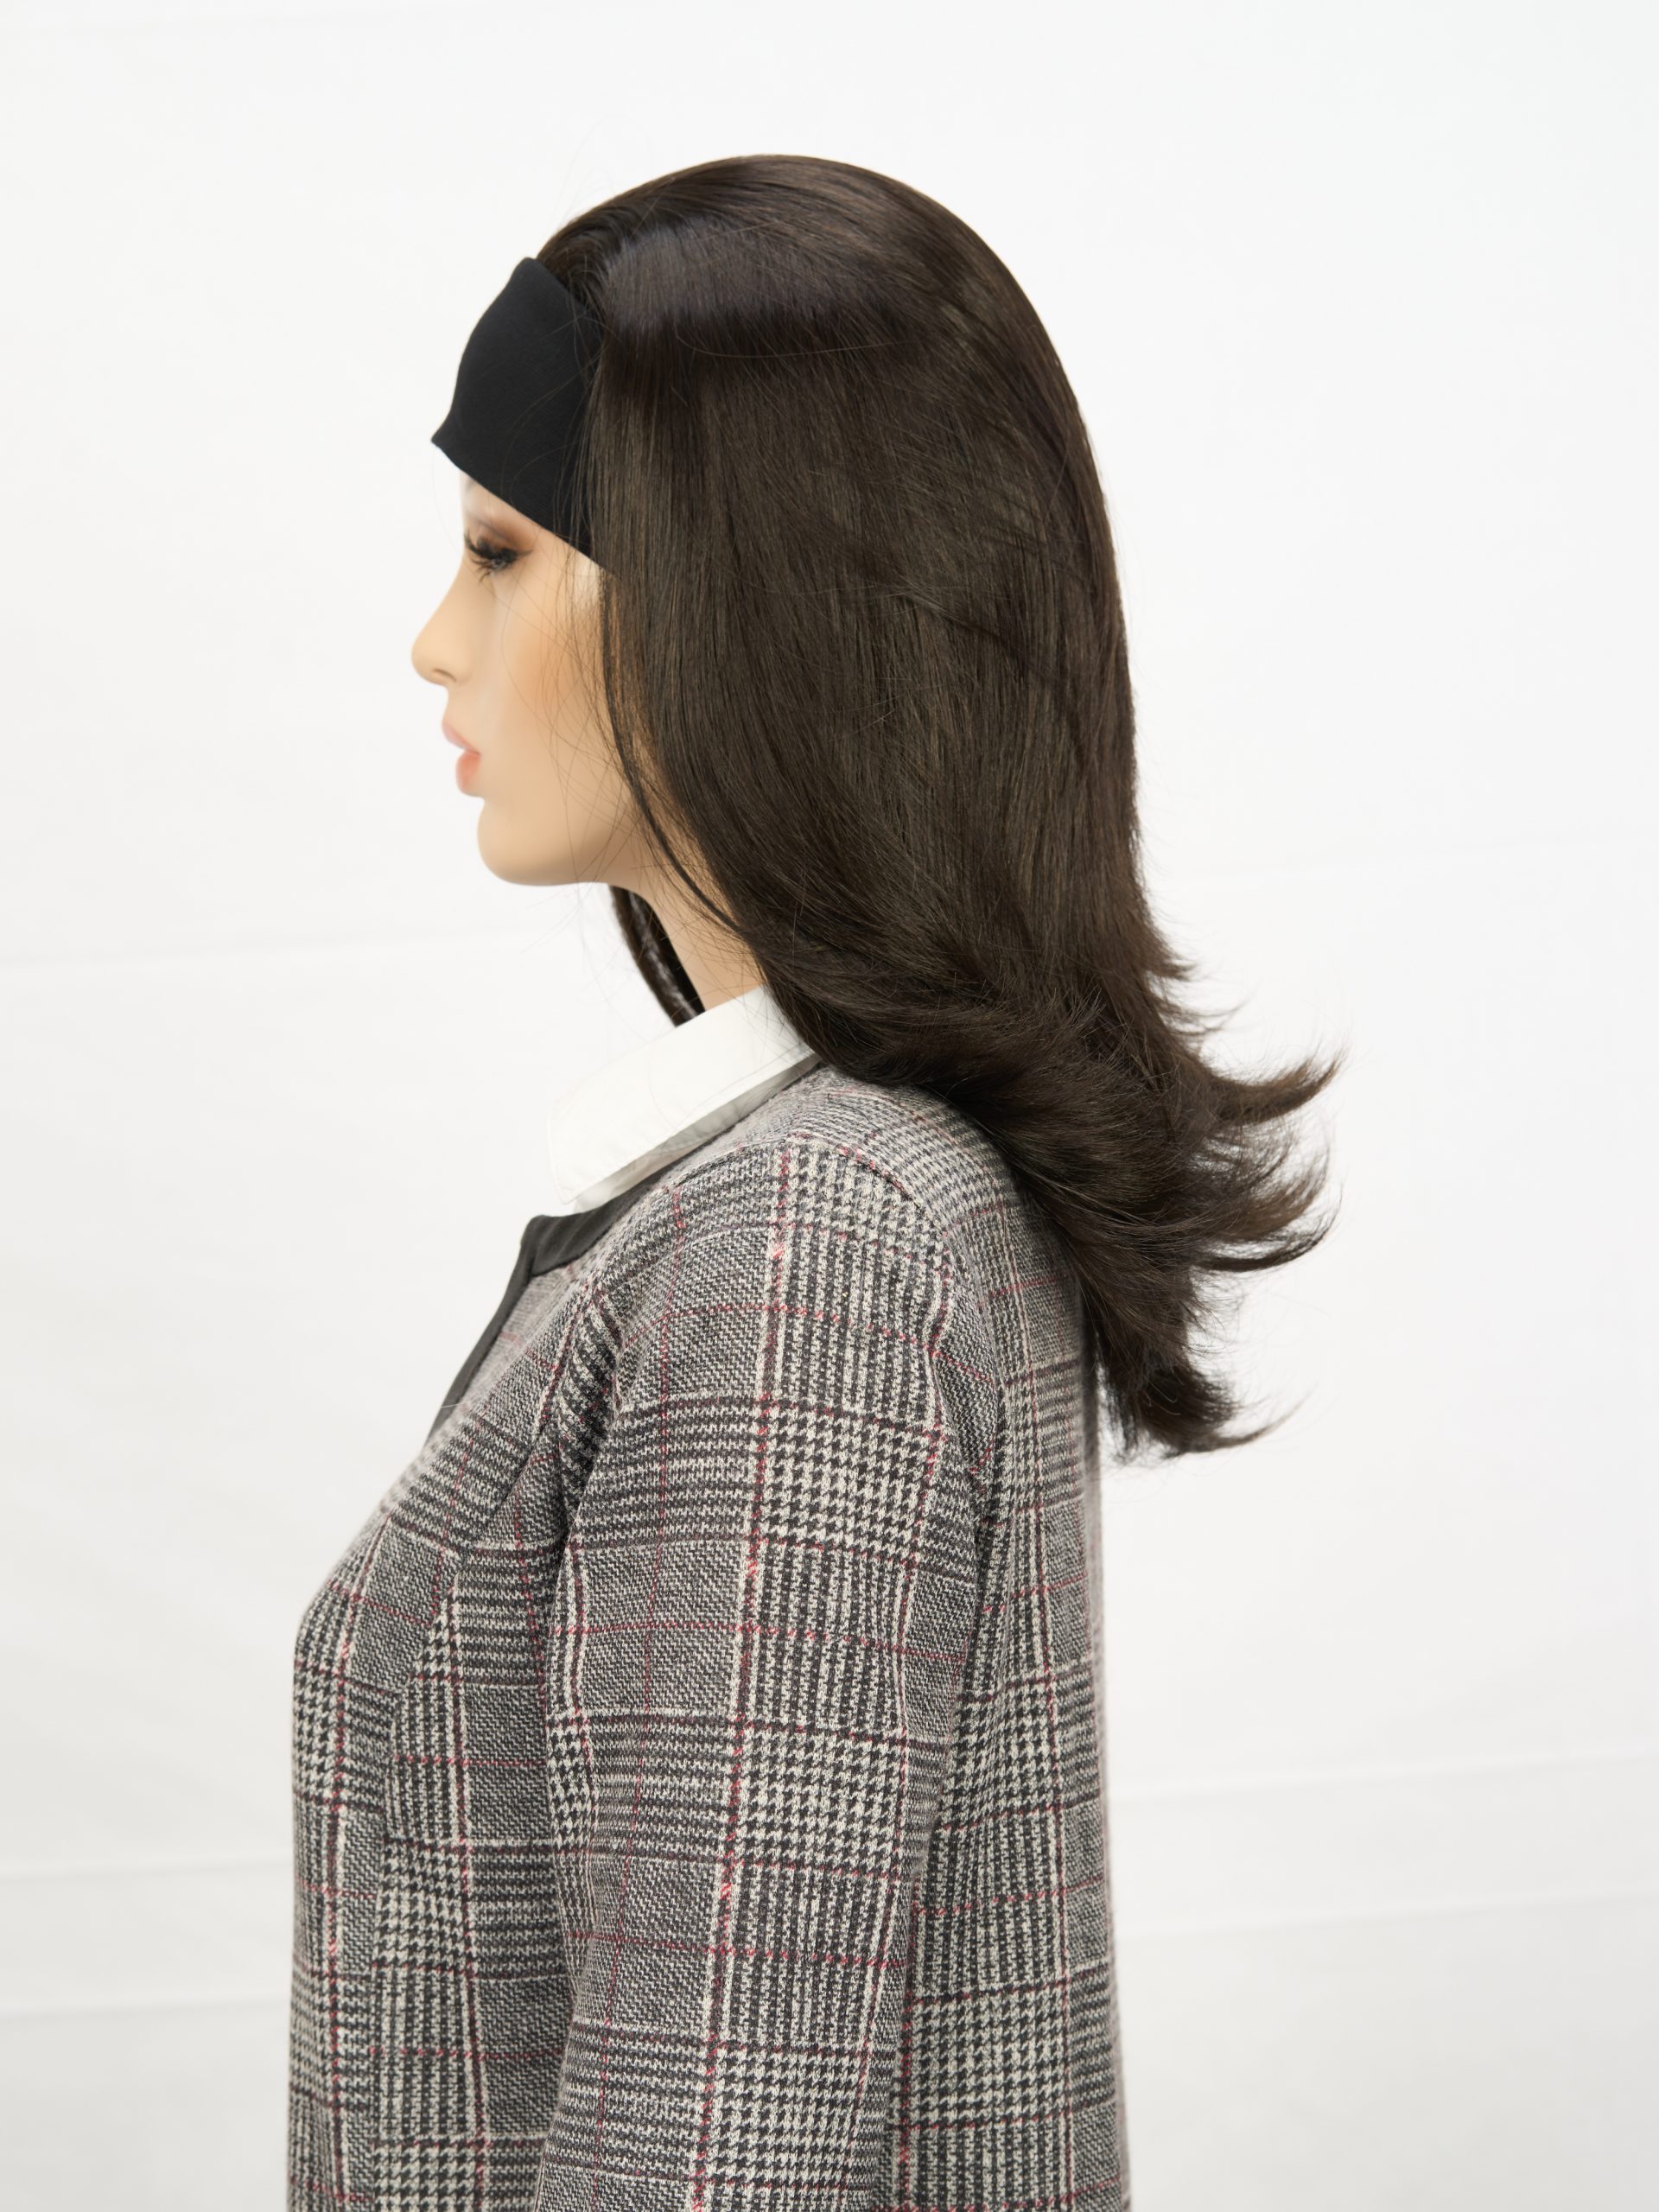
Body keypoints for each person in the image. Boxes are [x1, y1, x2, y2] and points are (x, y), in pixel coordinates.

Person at [287, 152, 1338, 2212]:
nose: (433, 638)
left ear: (734, 602)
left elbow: (721, 2152)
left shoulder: (804, 1252)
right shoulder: (837, 1192)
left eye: (499, 554)